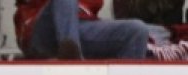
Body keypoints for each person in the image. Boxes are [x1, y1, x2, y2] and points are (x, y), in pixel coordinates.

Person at [14, 0, 150, 59]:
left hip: (81, 27)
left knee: (137, 30)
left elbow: (95, 6)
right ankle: (73, 62)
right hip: (42, 32)